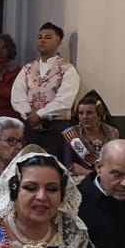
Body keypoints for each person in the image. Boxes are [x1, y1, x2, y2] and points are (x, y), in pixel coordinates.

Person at [10, 22, 80, 154]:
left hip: (56, 128)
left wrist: (40, 115)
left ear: (59, 42)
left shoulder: (67, 70)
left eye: (48, 37)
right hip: (30, 126)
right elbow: (17, 96)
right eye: (40, 37)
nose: (42, 40)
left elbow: (65, 100)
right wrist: (29, 116)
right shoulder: (27, 69)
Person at [62, 90, 120, 177]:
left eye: (89, 113)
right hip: (82, 178)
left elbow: (117, 160)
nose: (84, 117)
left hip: (109, 176)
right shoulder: (71, 134)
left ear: (99, 114)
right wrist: (92, 175)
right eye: (81, 113)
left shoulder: (112, 133)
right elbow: (69, 164)